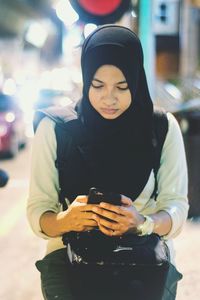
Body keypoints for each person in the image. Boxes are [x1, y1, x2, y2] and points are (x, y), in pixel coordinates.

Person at [27, 25, 189, 300]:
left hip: (144, 266)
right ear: (86, 79)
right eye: (97, 85)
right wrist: (67, 220)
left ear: (137, 81)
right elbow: (38, 213)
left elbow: (176, 208)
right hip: (69, 265)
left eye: (122, 87)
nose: (109, 98)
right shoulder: (55, 128)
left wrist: (142, 222)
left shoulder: (161, 127)